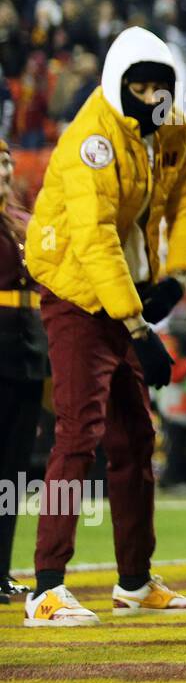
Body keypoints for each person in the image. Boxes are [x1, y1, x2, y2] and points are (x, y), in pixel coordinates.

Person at [22, 27, 186, 626]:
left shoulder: (172, 127)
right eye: (140, 84)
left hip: (119, 289)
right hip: (76, 288)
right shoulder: (92, 140)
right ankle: (47, 586)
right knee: (79, 433)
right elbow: (94, 240)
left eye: (161, 84)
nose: (151, 94)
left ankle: (133, 581)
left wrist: (177, 274)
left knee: (134, 440)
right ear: (117, 83)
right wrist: (136, 326)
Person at [0, 139, 47, 600]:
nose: (5, 168)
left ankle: (1, 569)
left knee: (13, 474)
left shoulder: (22, 222)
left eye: (7, 161)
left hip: (26, 350)